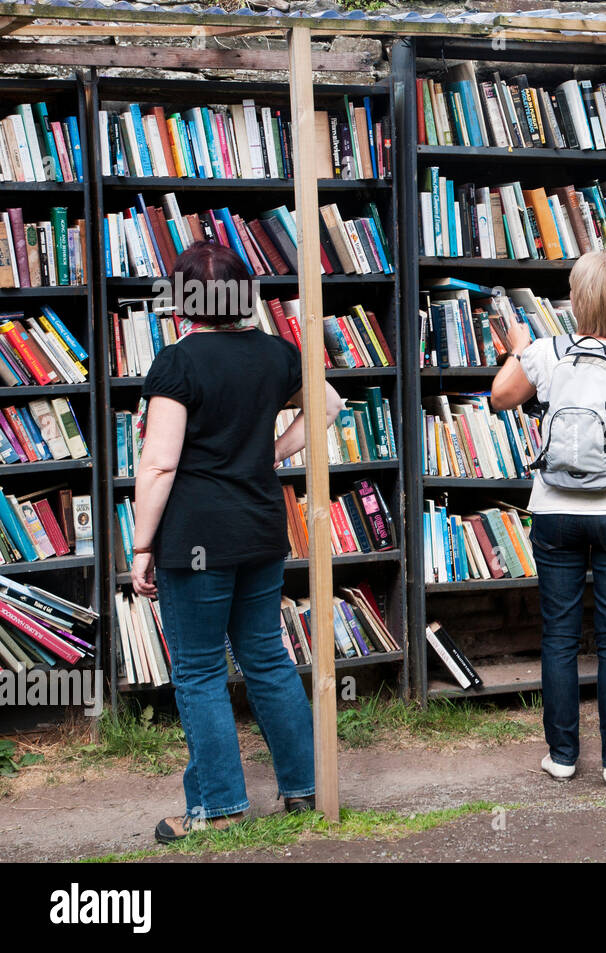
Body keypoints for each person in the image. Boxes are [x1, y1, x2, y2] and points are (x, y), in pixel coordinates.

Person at [130, 241, 346, 842]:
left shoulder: (178, 363)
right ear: (242, 292)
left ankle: (220, 808)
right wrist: (268, 454)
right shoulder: (277, 354)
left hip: (197, 536)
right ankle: (305, 789)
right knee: (269, 659)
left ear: (181, 298)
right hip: (259, 531)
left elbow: (159, 467)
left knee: (199, 671)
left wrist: (142, 546)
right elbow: (330, 405)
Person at [491, 249, 606, 785]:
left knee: (559, 636)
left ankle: (563, 756)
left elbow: (501, 397)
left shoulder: (547, 353)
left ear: (575, 301)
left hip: (554, 511)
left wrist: (519, 350)